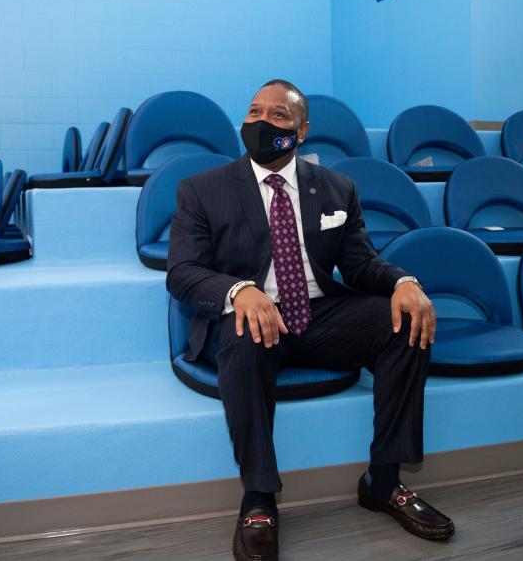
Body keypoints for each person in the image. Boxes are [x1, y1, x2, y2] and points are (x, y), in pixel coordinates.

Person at [166, 79, 454, 560]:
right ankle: (259, 498)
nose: (261, 122)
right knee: (243, 334)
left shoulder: (337, 188)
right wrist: (238, 290)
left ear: (301, 132)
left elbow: (361, 264)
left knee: (403, 322)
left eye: (277, 116)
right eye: (254, 112)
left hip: (319, 313)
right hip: (253, 317)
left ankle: (383, 481)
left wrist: (405, 282)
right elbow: (183, 272)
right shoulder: (202, 189)